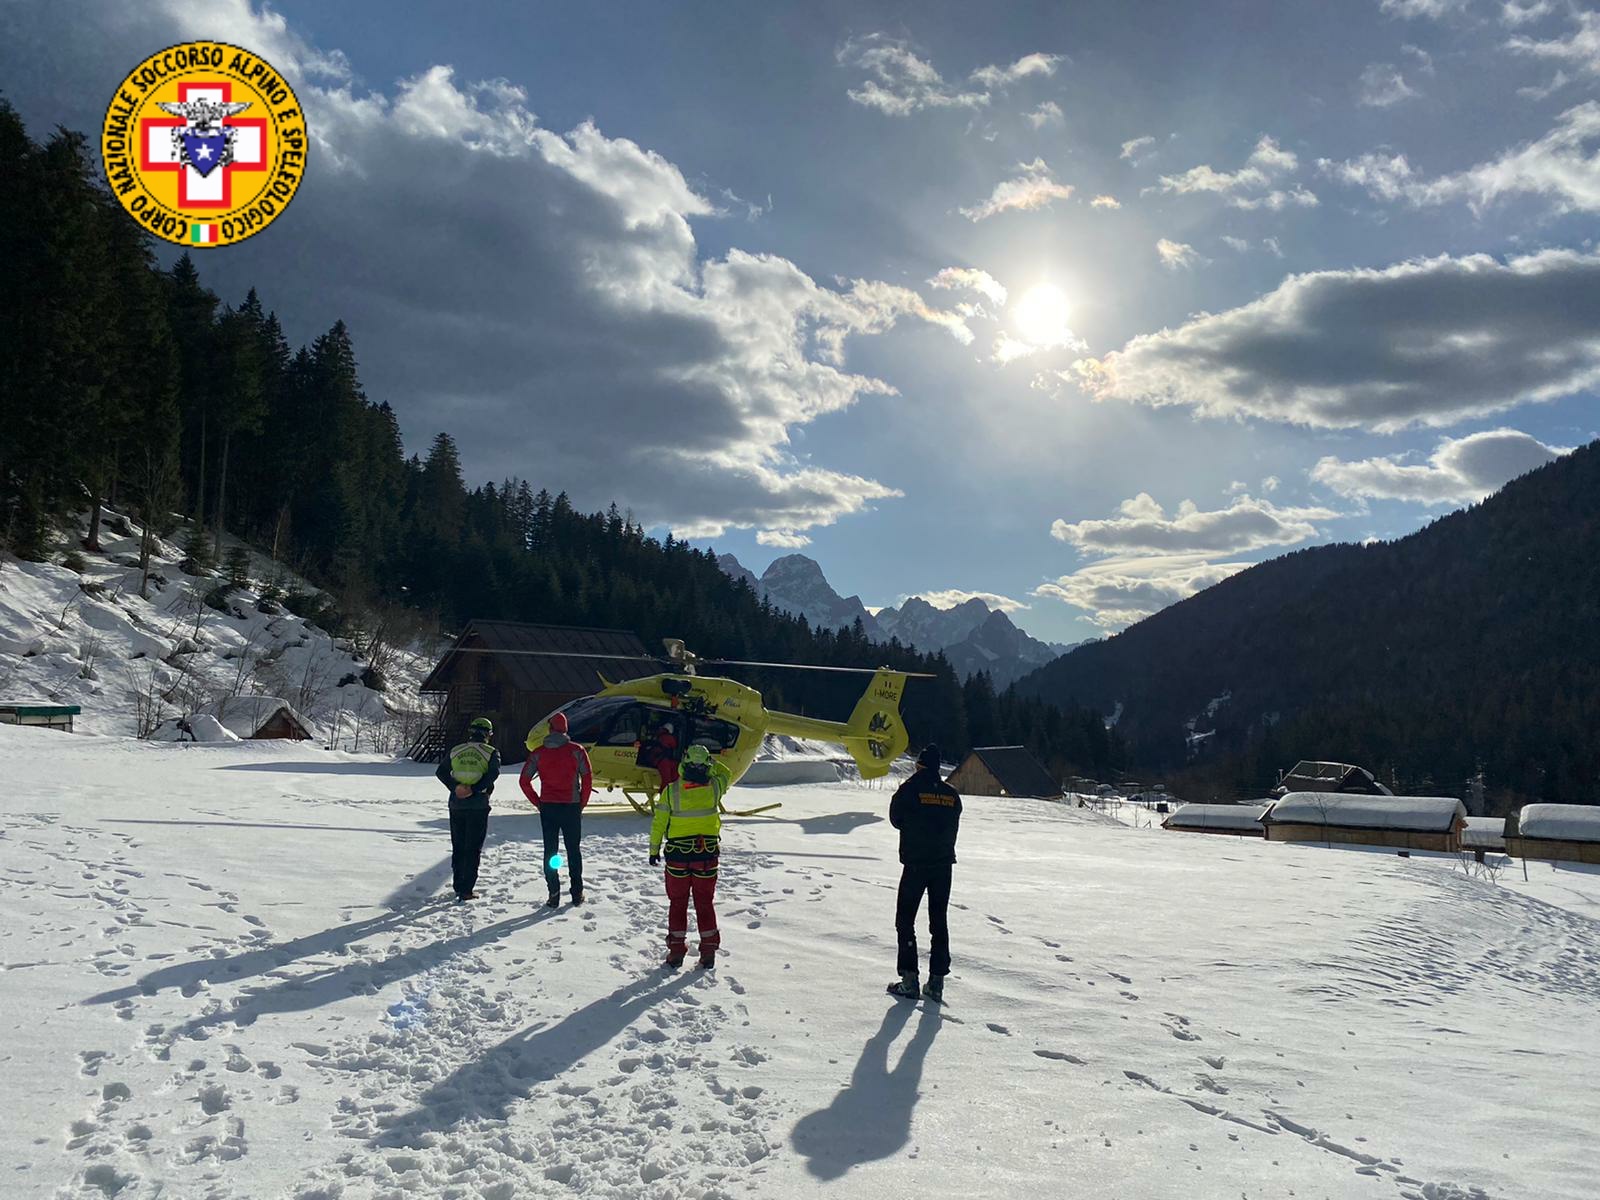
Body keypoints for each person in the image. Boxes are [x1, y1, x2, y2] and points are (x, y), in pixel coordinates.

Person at [886, 744, 961, 1002]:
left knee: (905, 921)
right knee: (938, 922)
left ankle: (909, 980)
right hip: (943, 867)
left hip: (916, 865)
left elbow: (895, 818)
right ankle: (936, 983)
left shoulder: (910, 789)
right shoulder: (952, 795)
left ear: (919, 765)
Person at [649, 743, 730, 968]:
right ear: (706, 767)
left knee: (678, 903)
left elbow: (659, 823)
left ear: (684, 765)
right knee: (705, 903)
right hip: (706, 857)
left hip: (677, 857)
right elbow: (727, 773)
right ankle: (708, 952)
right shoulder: (715, 787)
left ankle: (676, 952)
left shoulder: (671, 791)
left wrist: (653, 849)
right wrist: (710, 762)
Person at [520, 710, 594, 907]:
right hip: (571, 807)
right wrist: (582, 803)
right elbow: (587, 779)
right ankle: (577, 893)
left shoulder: (538, 753)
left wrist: (538, 802)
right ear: (565, 730)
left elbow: (524, 780)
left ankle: (553, 893)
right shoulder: (577, 751)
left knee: (551, 851)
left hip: (548, 807)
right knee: (573, 850)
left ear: (550, 729)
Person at [435, 716, 501, 903]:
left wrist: (455, 787)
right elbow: (493, 773)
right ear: (488, 734)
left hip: (456, 804)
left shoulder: (456, 750)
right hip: (478, 805)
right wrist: (474, 788)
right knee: (473, 848)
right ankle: (467, 889)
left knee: (459, 845)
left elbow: (441, 771)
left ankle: (458, 885)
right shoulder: (490, 752)